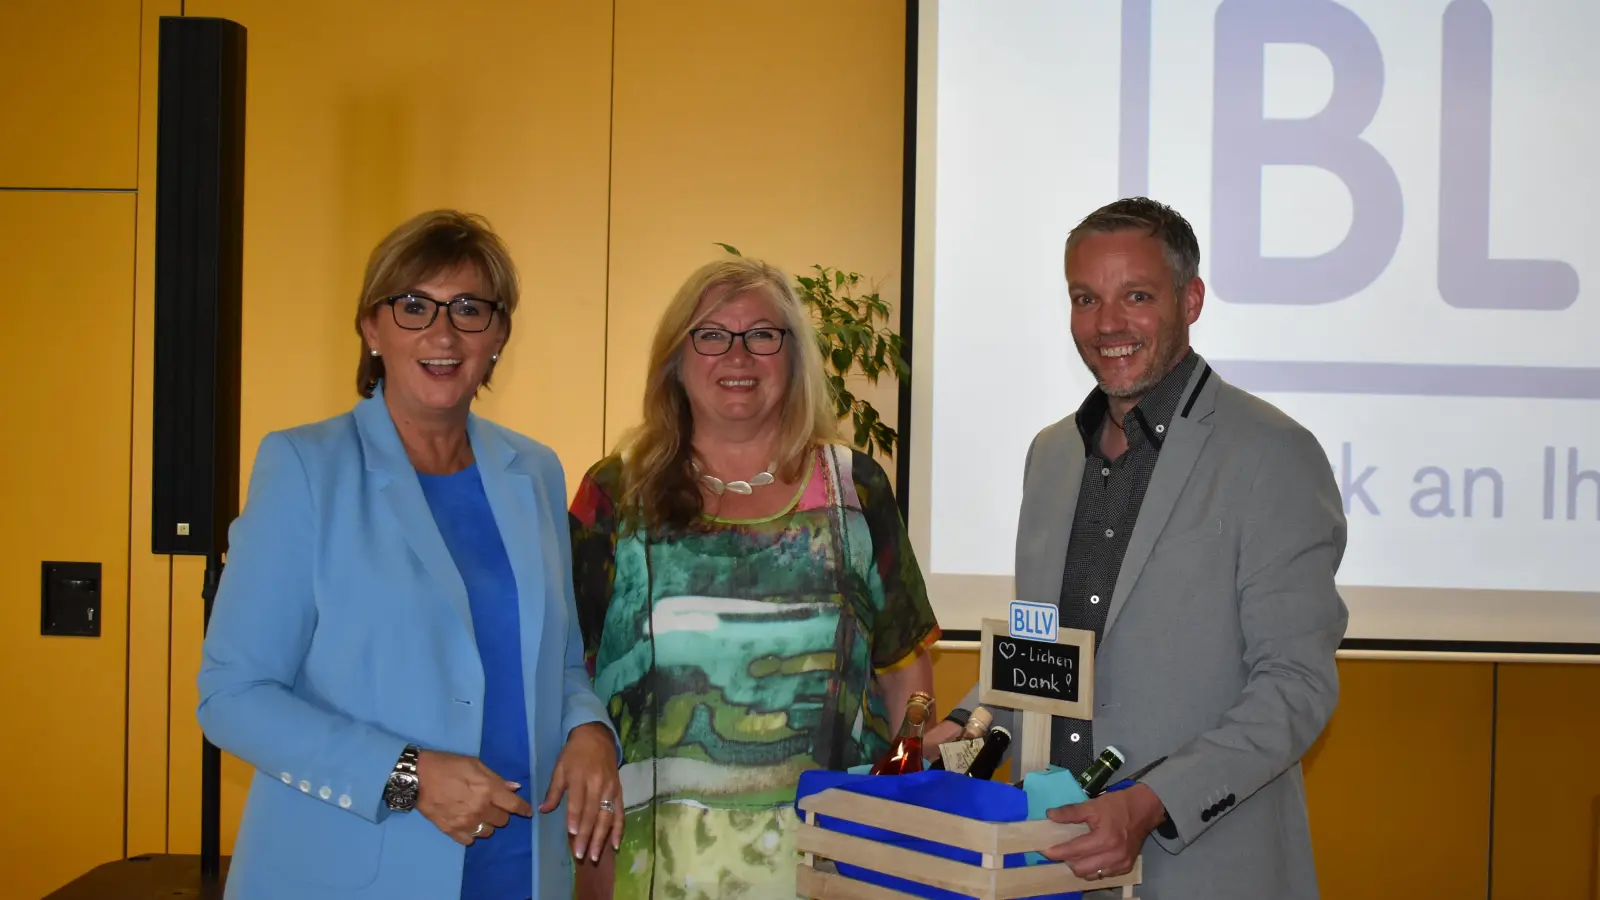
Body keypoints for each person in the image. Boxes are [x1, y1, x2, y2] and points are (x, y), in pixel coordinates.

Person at [196, 210, 623, 900]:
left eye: (469, 309)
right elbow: (232, 697)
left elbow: (563, 664)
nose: (444, 334)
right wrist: (408, 774)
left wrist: (591, 730)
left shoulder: (534, 472)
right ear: (371, 327)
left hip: (520, 867)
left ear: (500, 334)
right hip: (354, 869)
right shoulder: (305, 467)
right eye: (414, 306)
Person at [933, 197, 1348, 899]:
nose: (1107, 324)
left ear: (1191, 300)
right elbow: (1042, 662)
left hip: (1205, 871)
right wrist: (955, 737)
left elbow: (1296, 686)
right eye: (1085, 298)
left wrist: (1150, 800)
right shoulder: (1052, 456)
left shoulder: (1272, 454)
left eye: (1137, 296)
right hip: (1047, 872)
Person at [568, 256, 941, 898]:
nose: (737, 356)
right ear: (675, 361)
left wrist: (910, 761)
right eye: (711, 335)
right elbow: (564, 670)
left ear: (793, 357)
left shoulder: (856, 488)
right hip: (647, 864)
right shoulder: (615, 492)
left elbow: (904, 671)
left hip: (831, 863)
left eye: (763, 335)